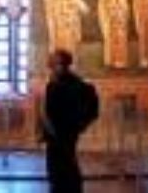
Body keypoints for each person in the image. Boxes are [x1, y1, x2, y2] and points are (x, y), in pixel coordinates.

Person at [39, 49, 100, 192]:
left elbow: (90, 107)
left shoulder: (74, 84)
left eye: (54, 63)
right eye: (51, 64)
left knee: (66, 167)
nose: (51, 67)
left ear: (62, 65)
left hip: (64, 133)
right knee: (56, 168)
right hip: (55, 134)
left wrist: (78, 125)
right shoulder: (55, 82)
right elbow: (49, 109)